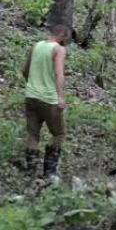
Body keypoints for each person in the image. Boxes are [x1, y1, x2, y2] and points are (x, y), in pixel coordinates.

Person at [21, 24, 71, 180]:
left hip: (31, 96)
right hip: (49, 99)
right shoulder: (58, 50)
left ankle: (31, 172)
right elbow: (58, 73)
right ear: (62, 35)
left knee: (32, 135)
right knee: (59, 134)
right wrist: (60, 97)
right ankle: (49, 173)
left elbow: (24, 71)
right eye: (66, 38)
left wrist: (34, 85)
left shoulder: (36, 46)